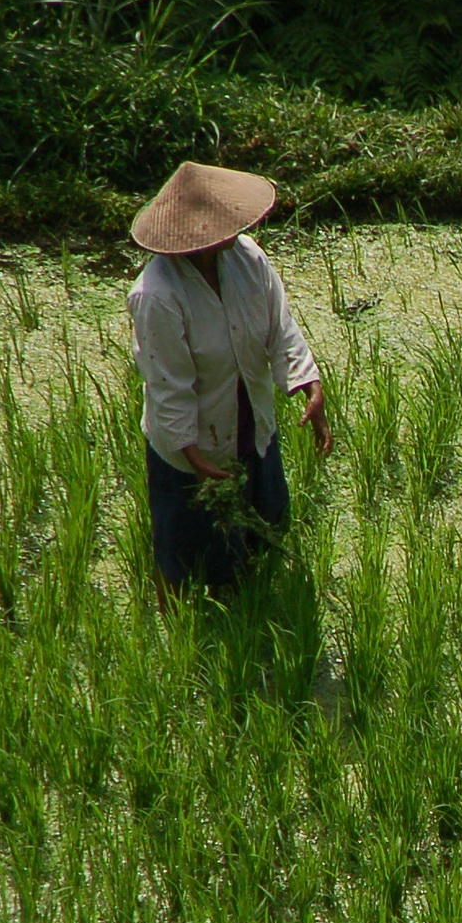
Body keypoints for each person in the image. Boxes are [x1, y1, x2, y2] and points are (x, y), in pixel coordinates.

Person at [126, 161, 333, 603]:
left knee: (252, 534)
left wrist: (308, 385)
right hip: (191, 443)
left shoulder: (247, 258)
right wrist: (194, 457)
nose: (233, 232)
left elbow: (280, 327)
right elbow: (168, 384)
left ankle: (238, 608)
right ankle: (175, 623)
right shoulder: (157, 294)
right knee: (183, 549)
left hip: (249, 423)